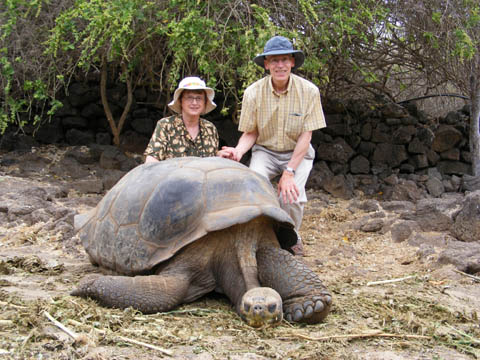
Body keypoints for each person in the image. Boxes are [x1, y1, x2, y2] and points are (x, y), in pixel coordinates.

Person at [218, 36, 326, 256]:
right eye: (274, 60)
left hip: (297, 152)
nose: (280, 65)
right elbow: (251, 132)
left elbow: (306, 137)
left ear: (292, 62)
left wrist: (289, 172)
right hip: (265, 151)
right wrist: (238, 152)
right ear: (266, 64)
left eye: (284, 60)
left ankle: (291, 237)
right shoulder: (253, 93)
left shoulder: (309, 91)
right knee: (253, 189)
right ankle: (259, 236)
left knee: (292, 195)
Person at [144, 76, 219, 162]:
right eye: (189, 98)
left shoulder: (210, 128)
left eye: (199, 98)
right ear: (180, 101)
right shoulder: (166, 125)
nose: (194, 103)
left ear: (205, 102)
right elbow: (152, 160)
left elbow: (212, 160)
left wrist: (221, 154)